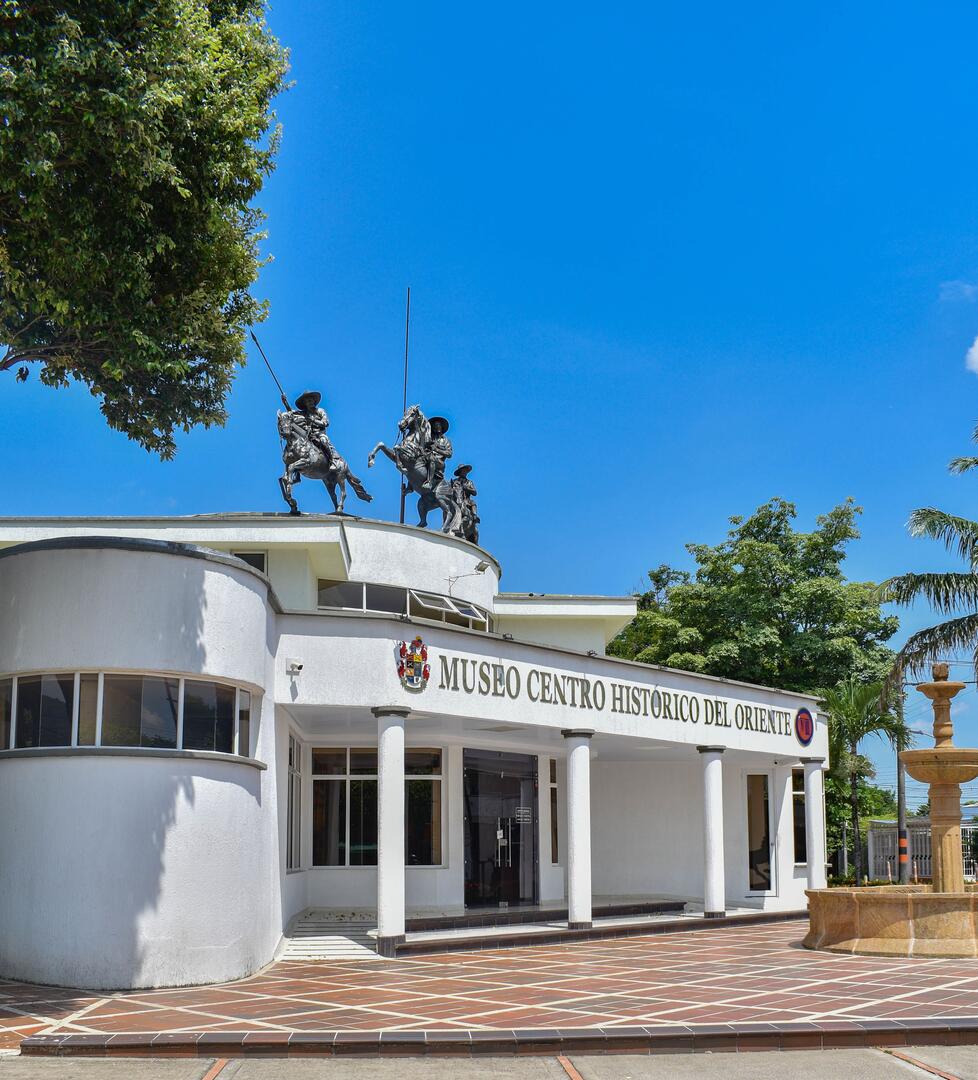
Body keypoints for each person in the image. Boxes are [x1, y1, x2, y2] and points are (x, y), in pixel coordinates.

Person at [288, 390, 334, 462]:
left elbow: (326, 423)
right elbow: (291, 412)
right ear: (305, 404)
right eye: (308, 401)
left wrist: (314, 420)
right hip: (309, 435)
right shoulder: (304, 413)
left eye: (311, 400)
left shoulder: (320, 411)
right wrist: (285, 402)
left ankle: (332, 460)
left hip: (320, 434)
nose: (310, 402)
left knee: (323, 441)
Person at [451, 464, 479, 544]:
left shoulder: (469, 482)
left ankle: (474, 516)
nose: (464, 472)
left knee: (473, 503)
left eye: (466, 471)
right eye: (463, 471)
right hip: (456, 498)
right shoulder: (455, 481)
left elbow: (474, 492)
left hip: (466, 500)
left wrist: (466, 488)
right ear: (460, 472)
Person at [424, 416, 453, 490]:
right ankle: (410, 486)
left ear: (441, 427)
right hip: (427, 457)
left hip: (439, 462)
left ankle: (429, 482)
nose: (436, 427)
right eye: (434, 426)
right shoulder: (430, 438)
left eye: (438, 425)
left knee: (432, 459)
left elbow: (449, 454)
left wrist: (436, 450)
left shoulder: (446, 440)